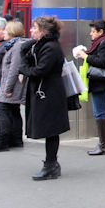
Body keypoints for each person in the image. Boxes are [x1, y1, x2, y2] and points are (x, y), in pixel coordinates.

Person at [19, 16, 70, 180]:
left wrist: (23, 69)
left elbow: (40, 70)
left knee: (51, 129)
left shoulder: (51, 48)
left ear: (44, 31)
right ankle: (51, 164)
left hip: (49, 93)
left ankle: (51, 165)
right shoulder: (40, 45)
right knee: (50, 129)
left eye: (34, 28)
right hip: (44, 92)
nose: (31, 30)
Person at [76, 20, 105, 156]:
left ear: (100, 32)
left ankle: (104, 145)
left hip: (101, 83)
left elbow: (103, 62)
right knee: (99, 113)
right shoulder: (102, 42)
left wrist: (86, 57)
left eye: (93, 31)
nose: (90, 34)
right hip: (99, 83)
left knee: (100, 114)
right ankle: (103, 144)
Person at [0, 21, 29, 152]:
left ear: (13, 32)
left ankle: (4, 140)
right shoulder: (15, 45)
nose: (4, 32)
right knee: (14, 110)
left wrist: (7, 89)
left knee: (3, 110)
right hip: (14, 85)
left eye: (6, 30)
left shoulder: (17, 47)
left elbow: (14, 69)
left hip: (12, 86)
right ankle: (16, 139)